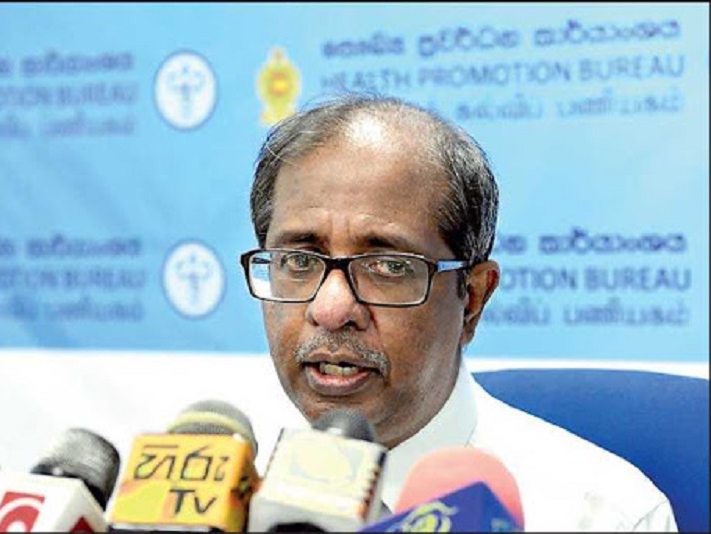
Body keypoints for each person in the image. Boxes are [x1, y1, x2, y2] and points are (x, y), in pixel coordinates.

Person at [239, 94, 677, 531]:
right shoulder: (225, 496)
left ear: (472, 299)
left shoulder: (600, 515)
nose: (331, 309)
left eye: (389, 266)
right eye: (298, 261)